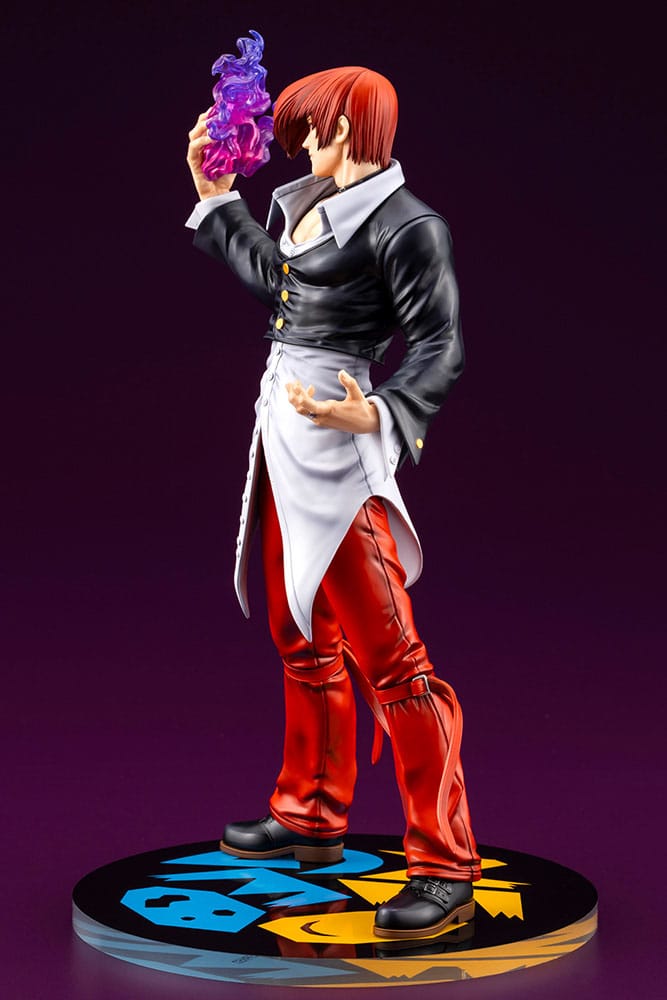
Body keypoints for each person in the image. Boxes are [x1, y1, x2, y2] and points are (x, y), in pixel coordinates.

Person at [185, 65, 481, 940]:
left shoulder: (408, 225)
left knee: (395, 664)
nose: (299, 146)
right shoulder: (316, 205)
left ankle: (444, 864)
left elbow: (439, 343)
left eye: (309, 130)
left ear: (345, 127)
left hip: (340, 442)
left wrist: (379, 410)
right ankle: (311, 810)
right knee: (299, 631)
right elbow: (282, 282)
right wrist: (214, 197)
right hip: (283, 431)